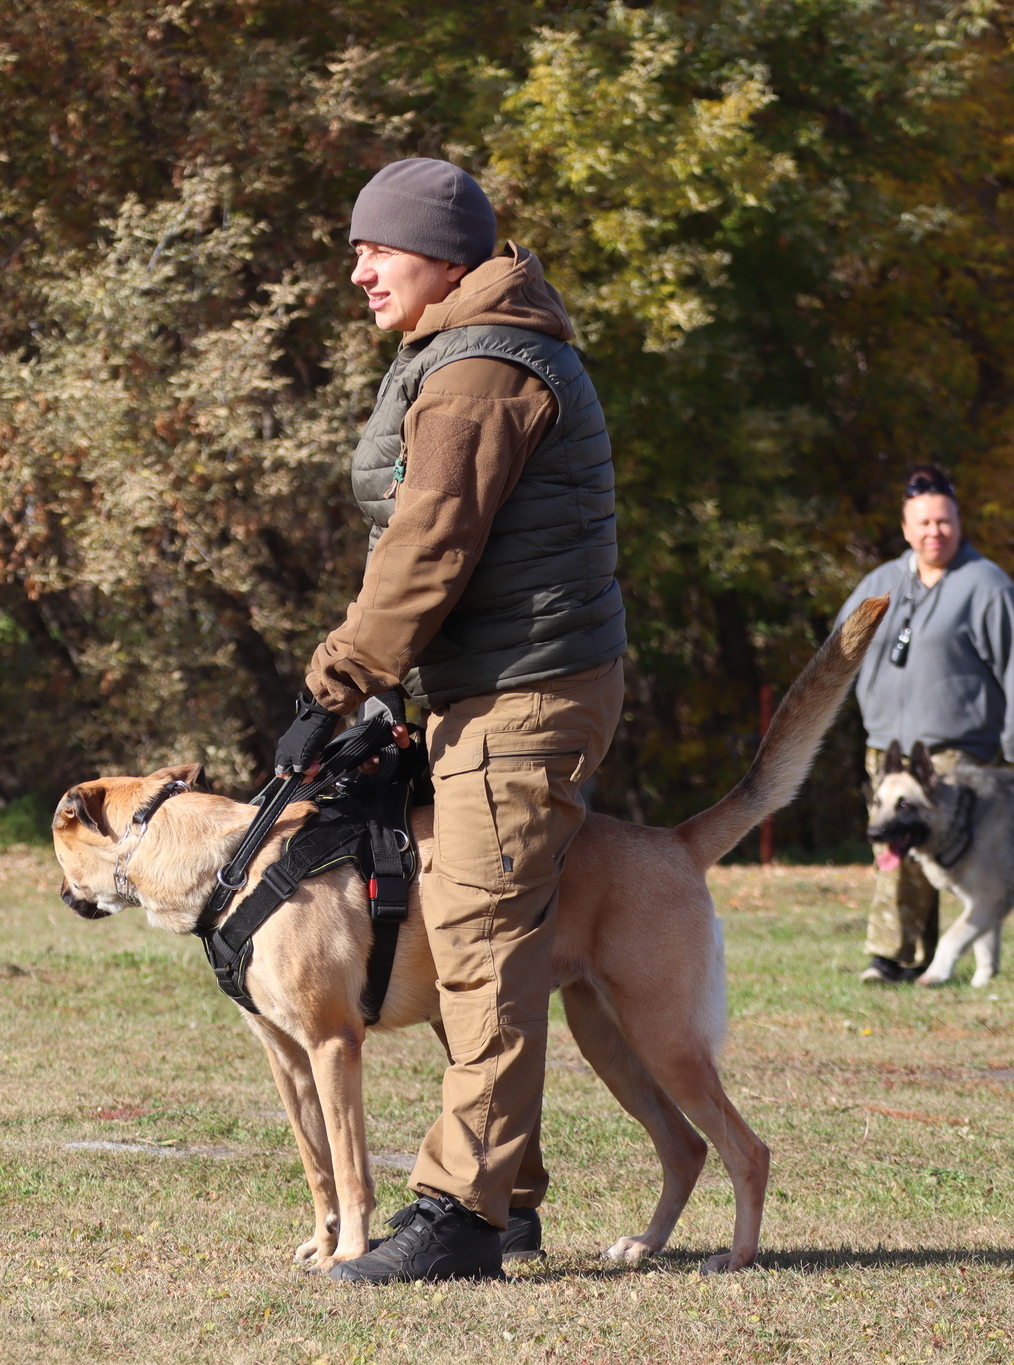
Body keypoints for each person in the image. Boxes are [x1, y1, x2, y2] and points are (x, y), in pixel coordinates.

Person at [272, 158, 626, 1283]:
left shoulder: (480, 366)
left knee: (479, 948)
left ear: (443, 254)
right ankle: (506, 1193)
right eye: (355, 248)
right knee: (472, 933)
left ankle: (462, 1217)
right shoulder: (467, 349)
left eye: (378, 248)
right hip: (490, 689)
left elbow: (428, 550)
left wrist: (337, 682)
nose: (357, 269)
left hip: (521, 697)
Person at [835, 465, 1014, 983]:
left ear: (958, 522)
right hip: (885, 746)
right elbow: (839, 650)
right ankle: (921, 957)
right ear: (906, 528)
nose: (935, 531)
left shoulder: (987, 585)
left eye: (944, 521)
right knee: (899, 851)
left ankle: (890, 958)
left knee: (926, 851)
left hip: (954, 750)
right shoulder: (881, 583)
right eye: (924, 522)